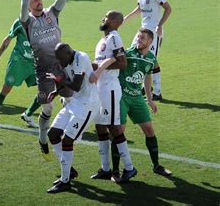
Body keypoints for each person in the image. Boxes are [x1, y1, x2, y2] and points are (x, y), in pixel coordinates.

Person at [45, 43, 113, 193]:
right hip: (76, 102)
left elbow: (75, 85)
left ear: (69, 54)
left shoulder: (80, 58)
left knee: (67, 140)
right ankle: (69, 172)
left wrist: (58, 79)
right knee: (53, 134)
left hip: (88, 105)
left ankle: (65, 181)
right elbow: (68, 82)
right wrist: (56, 92)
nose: (60, 63)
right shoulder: (67, 60)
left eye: (61, 59)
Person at [19, 0, 69, 160]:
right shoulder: (27, 21)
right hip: (44, 70)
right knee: (47, 108)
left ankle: (62, 133)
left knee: (70, 100)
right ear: (30, 4)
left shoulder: (52, 14)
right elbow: (22, 8)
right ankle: (42, 137)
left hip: (62, 66)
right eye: (35, 0)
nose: (39, 2)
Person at [111, 28, 172, 182]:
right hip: (122, 97)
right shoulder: (128, 54)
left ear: (150, 41)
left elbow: (147, 77)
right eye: (137, 37)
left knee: (150, 130)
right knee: (119, 132)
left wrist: (150, 99)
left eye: (142, 38)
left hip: (137, 98)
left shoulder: (151, 59)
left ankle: (156, 165)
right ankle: (116, 171)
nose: (138, 40)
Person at [91, 11, 137, 183]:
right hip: (100, 88)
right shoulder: (104, 39)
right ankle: (105, 168)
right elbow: (102, 62)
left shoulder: (114, 37)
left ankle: (130, 167)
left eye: (107, 17)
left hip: (110, 88)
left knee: (114, 127)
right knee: (101, 128)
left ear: (116, 22)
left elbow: (123, 63)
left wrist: (102, 68)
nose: (103, 18)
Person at [123, 0, 172, 100]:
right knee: (133, 53)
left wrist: (160, 25)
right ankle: (145, 88)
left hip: (153, 33)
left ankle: (157, 92)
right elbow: (140, 8)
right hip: (142, 31)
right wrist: (126, 18)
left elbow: (168, 8)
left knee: (151, 61)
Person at [0, 19, 40, 128]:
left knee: (46, 89)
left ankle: (28, 114)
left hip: (34, 62)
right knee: (7, 88)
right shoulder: (20, 22)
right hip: (18, 61)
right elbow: (7, 40)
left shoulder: (43, 21)